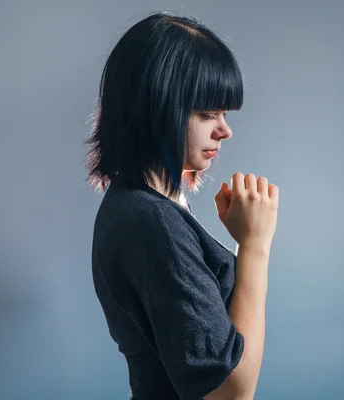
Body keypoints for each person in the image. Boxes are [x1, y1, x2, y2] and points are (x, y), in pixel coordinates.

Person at [84, 12, 279, 400]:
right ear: (155, 110)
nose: (224, 130)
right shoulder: (152, 223)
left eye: (223, 114)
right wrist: (255, 244)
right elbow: (231, 393)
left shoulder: (143, 205)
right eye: (207, 113)